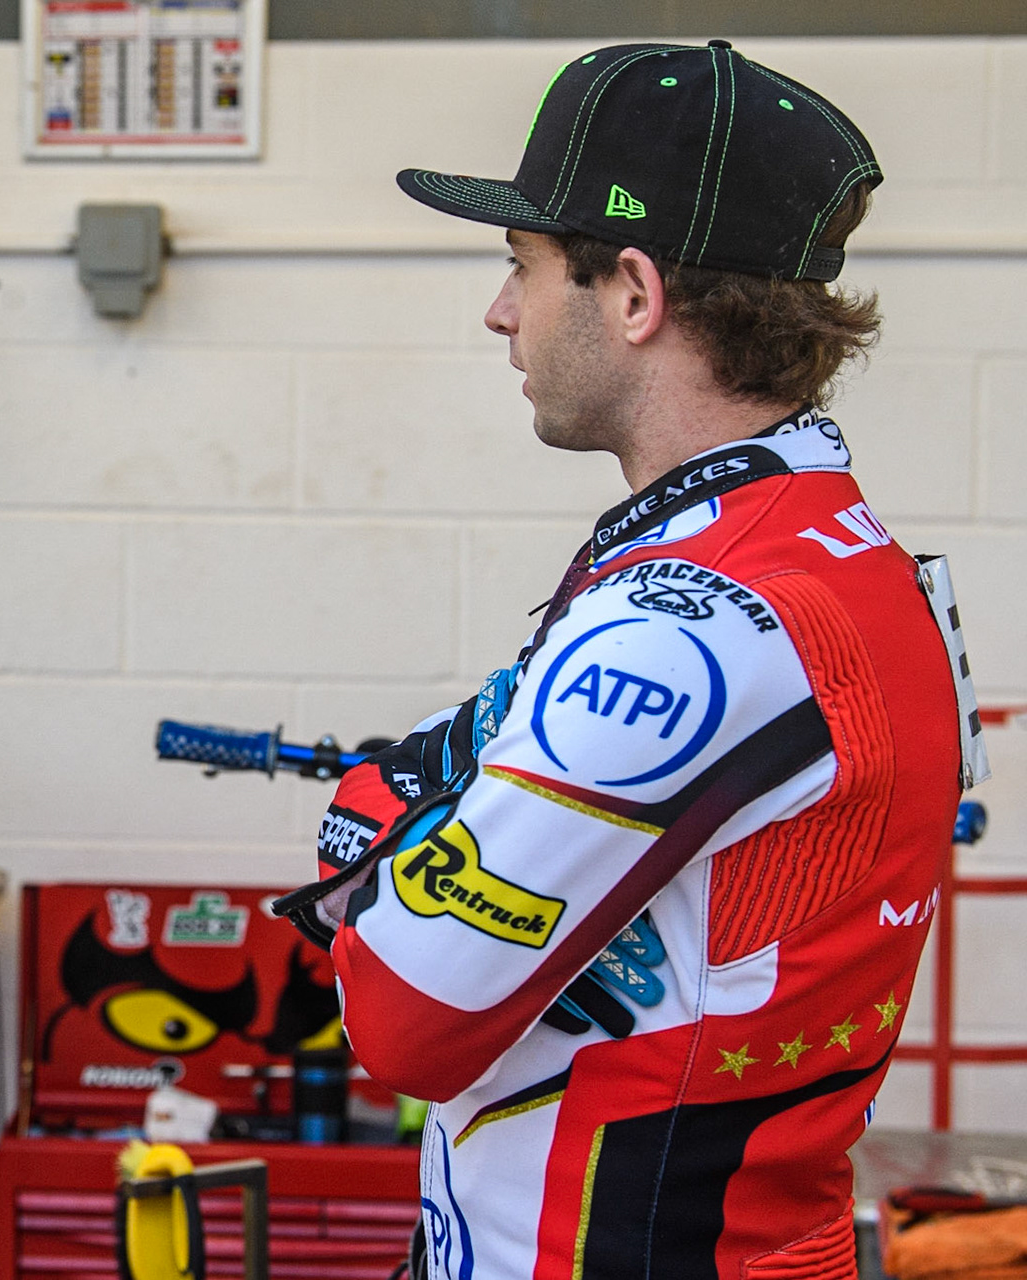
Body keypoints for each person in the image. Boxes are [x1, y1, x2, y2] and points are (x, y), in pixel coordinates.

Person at [281, 42, 986, 1279]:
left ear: (635, 295)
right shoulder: (852, 554)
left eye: (524, 264)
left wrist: (371, 824)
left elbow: (400, 1021)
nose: (501, 308)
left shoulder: (690, 619)